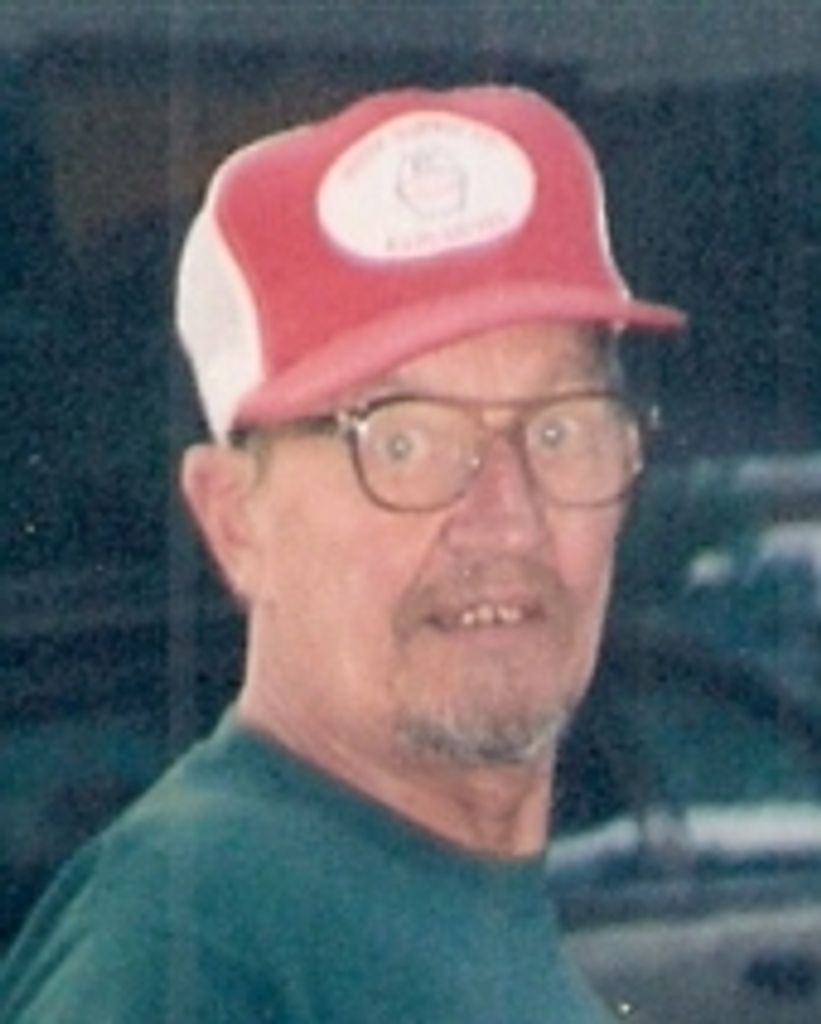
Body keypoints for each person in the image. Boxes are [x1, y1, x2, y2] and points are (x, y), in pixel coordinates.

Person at [0, 84, 684, 1022]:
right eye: (402, 443)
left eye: (560, 429)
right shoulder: (190, 948)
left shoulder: (442, 914)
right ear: (235, 520)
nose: (508, 519)